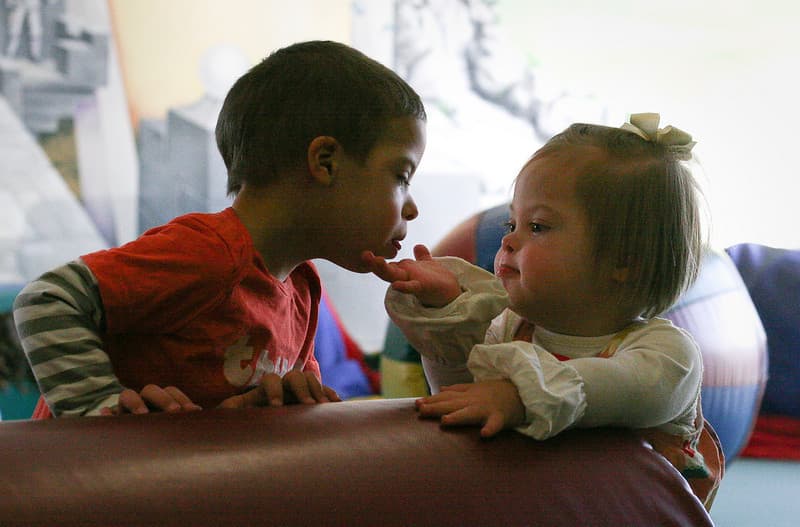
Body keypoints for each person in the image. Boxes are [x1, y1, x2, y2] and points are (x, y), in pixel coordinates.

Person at [13, 40, 427, 417]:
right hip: (89, 485)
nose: (411, 207)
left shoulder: (301, 289)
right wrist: (96, 406)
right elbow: (48, 299)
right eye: (401, 176)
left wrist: (285, 400)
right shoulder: (210, 253)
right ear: (325, 162)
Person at [364, 113, 721, 508]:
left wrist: (518, 398)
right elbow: (459, 399)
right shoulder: (511, 329)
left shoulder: (666, 356)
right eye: (511, 221)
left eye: (537, 227)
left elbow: (610, 386)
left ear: (624, 262)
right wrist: (446, 308)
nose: (509, 239)